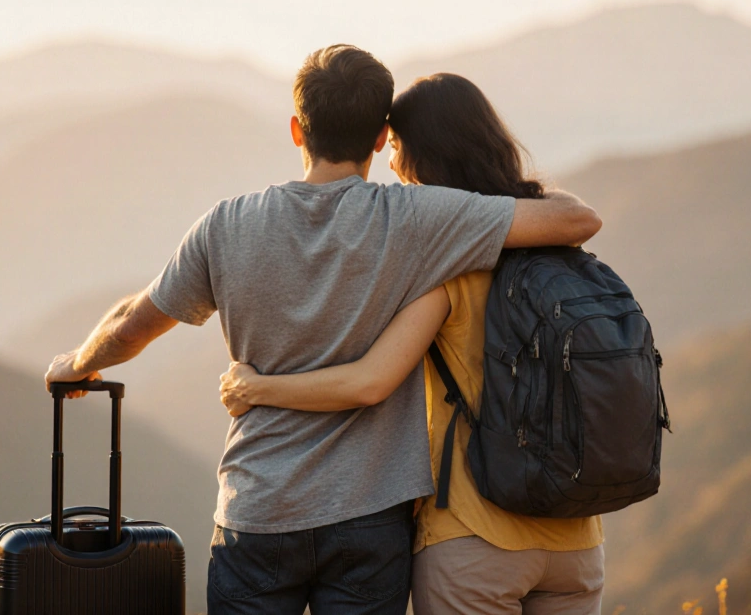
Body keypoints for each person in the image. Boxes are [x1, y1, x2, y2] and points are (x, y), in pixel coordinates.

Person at [44, 46, 602, 615]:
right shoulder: (419, 219)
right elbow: (577, 220)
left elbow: (136, 322)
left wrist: (79, 360)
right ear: (383, 137)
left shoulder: (226, 224)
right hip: (371, 520)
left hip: (257, 511)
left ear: (296, 129)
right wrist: (504, 184)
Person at [218, 73, 606, 615]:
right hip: (576, 543)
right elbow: (581, 216)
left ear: (426, 154)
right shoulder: (563, 256)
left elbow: (369, 381)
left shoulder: (450, 270)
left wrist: (258, 386)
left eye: (400, 148)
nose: (395, 166)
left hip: (476, 536)